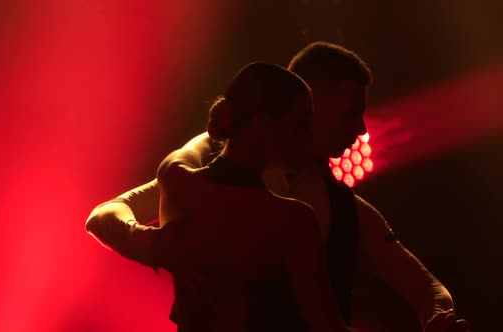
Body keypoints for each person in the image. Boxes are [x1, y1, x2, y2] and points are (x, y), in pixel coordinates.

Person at [86, 42, 471, 332]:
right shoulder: (204, 158)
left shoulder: (343, 208)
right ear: (306, 102)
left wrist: (439, 314)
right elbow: (104, 215)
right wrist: (152, 244)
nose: (362, 129)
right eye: (351, 114)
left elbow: (423, 286)